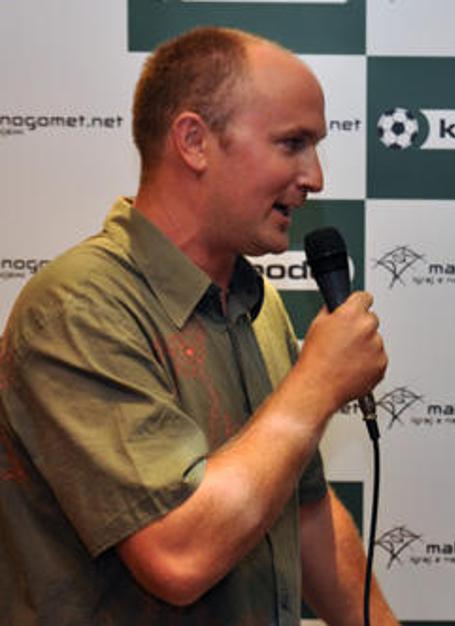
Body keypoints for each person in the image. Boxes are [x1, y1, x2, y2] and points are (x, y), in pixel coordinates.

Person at [0, 27, 398, 626]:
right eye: (292, 143)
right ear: (194, 142)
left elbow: (304, 509)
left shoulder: (258, 304)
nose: (315, 177)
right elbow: (177, 556)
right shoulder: (79, 308)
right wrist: (317, 383)